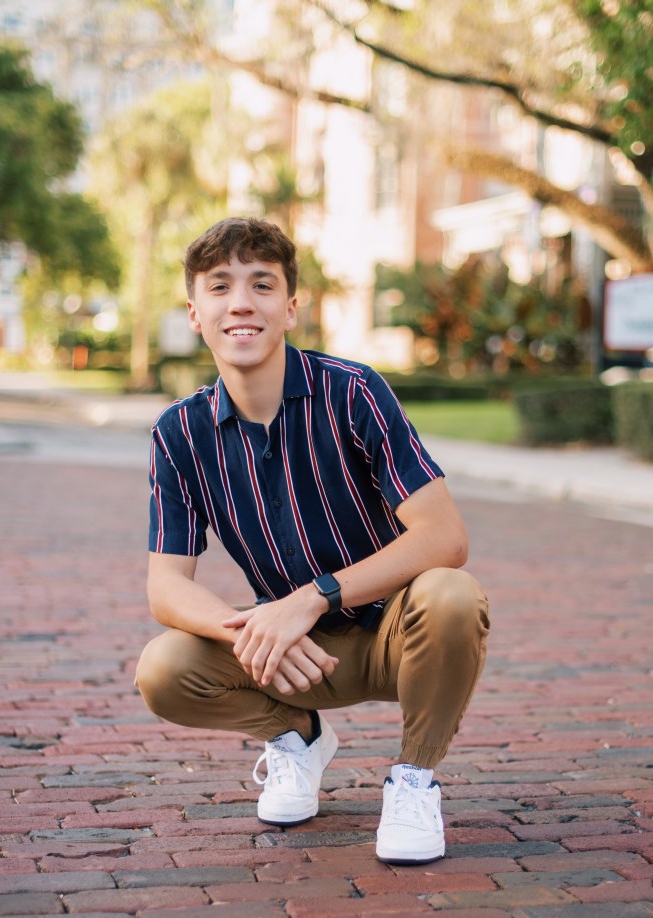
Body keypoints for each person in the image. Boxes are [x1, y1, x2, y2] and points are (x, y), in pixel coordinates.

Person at [135, 217, 490, 864]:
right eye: (220, 287)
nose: (241, 303)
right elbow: (166, 586)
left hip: (396, 639)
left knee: (453, 594)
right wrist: (256, 630)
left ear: (291, 308)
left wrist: (310, 598)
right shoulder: (179, 433)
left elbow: (445, 536)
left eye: (262, 284)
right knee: (163, 670)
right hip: (293, 660)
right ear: (195, 314)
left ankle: (414, 779)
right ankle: (298, 739)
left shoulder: (352, 392)